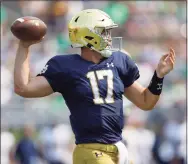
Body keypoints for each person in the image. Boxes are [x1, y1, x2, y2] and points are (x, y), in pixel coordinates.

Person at [13, 9, 175, 164]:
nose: (109, 37)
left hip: (119, 148)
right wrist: (24, 46)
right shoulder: (65, 66)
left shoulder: (119, 62)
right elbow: (24, 88)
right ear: (88, 35)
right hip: (90, 150)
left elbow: (146, 101)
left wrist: (158, 76)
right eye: (104, 32)